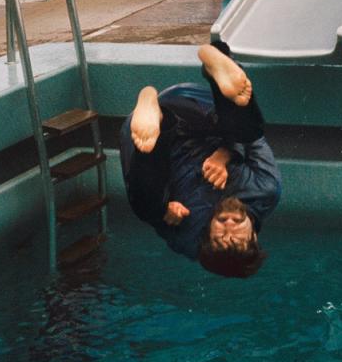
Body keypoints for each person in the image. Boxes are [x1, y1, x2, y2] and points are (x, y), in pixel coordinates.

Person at [119, 42, 281, 278]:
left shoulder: (188, 237)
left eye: (220, 236)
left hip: (154, 137)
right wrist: (225, 154)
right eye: (238, 235)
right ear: (253, 236)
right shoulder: (266, 189)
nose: (229, 225)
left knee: (147, 208)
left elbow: (148, 206)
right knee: (249, 132)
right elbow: (254, 141)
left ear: (206, 238)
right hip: (196, 109)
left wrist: (164, 211)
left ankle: (149, 101)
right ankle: (218, 64)